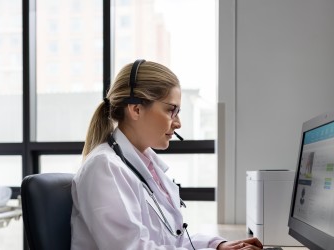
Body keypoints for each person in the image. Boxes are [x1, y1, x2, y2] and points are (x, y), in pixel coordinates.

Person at [71, 59, 263, 250]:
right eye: (171, 110)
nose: (178, 123)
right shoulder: (104, 167)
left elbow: (172, 242)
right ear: (136, 109)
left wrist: (217, 245)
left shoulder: (147, 166)